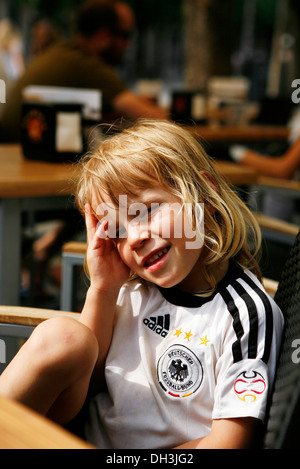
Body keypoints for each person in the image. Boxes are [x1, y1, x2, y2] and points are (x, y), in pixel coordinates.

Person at [0, 120, 284, 449]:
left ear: (204, 195)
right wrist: (103, 288)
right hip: (73, 437)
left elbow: (229, 443)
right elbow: (86, 381)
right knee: (63, 336)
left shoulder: (246, 315)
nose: (134, 238)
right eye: (117, 230)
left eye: (147, 211)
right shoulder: (130, 291)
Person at [0, 0, 167, 142]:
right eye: (125, 35)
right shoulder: (86, 64)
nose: (128, 45)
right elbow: (157, 118)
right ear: (103, 35)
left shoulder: (66, 52)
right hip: (19, 157)